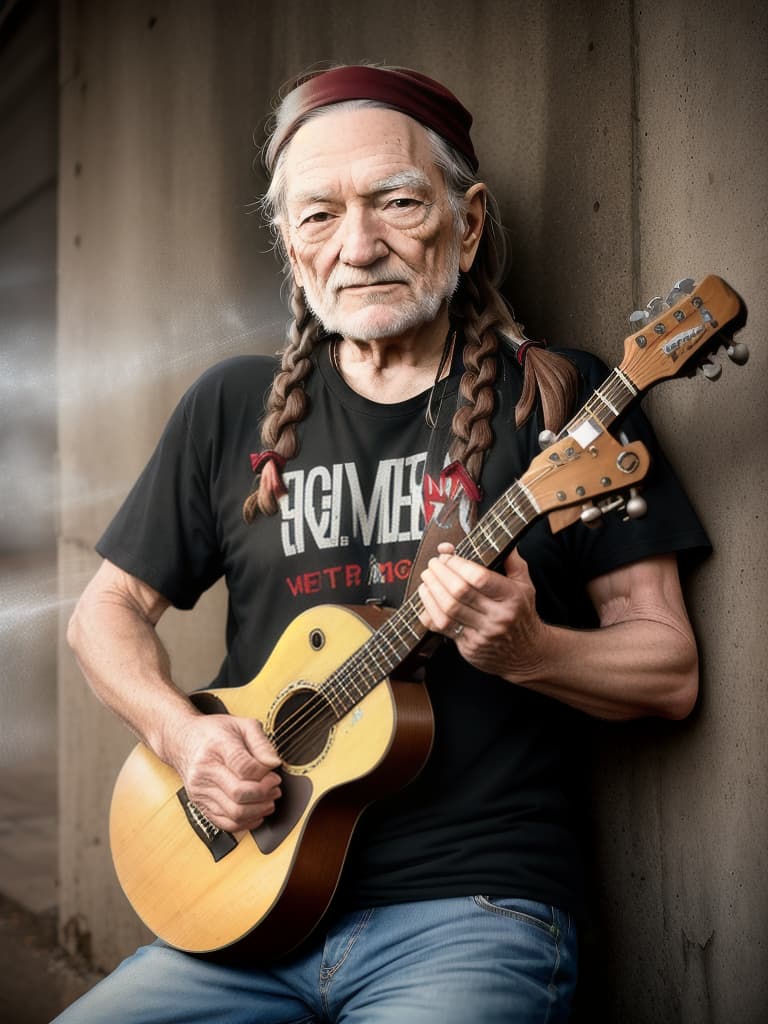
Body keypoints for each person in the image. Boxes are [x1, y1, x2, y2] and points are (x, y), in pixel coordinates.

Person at [57, 64, 709, 1023]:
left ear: (468, 219)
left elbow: (671, 670)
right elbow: (100, 614)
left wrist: (532, 652)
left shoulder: (564, 406)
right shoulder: (229, 408)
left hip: (475, 913)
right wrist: (182, 733)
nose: (358, 248)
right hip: (242, 920)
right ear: (288, 244)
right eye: (319, 216)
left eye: (397, 202)